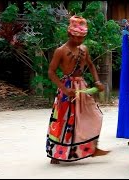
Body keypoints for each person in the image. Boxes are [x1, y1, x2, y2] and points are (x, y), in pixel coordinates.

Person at [46, 15, 110, 164]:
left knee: (94, 115)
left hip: (82, 87)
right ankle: (56, 153)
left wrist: (97, 81)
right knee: (65, 120)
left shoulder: (84, 49)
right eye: (77, 37)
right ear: (69, 34)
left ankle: (92, 147)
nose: (80, 40)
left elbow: (91, 66)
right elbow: (51, 72)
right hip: (67, 88)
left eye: (82, 38)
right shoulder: (60, 51)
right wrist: (64, 89)